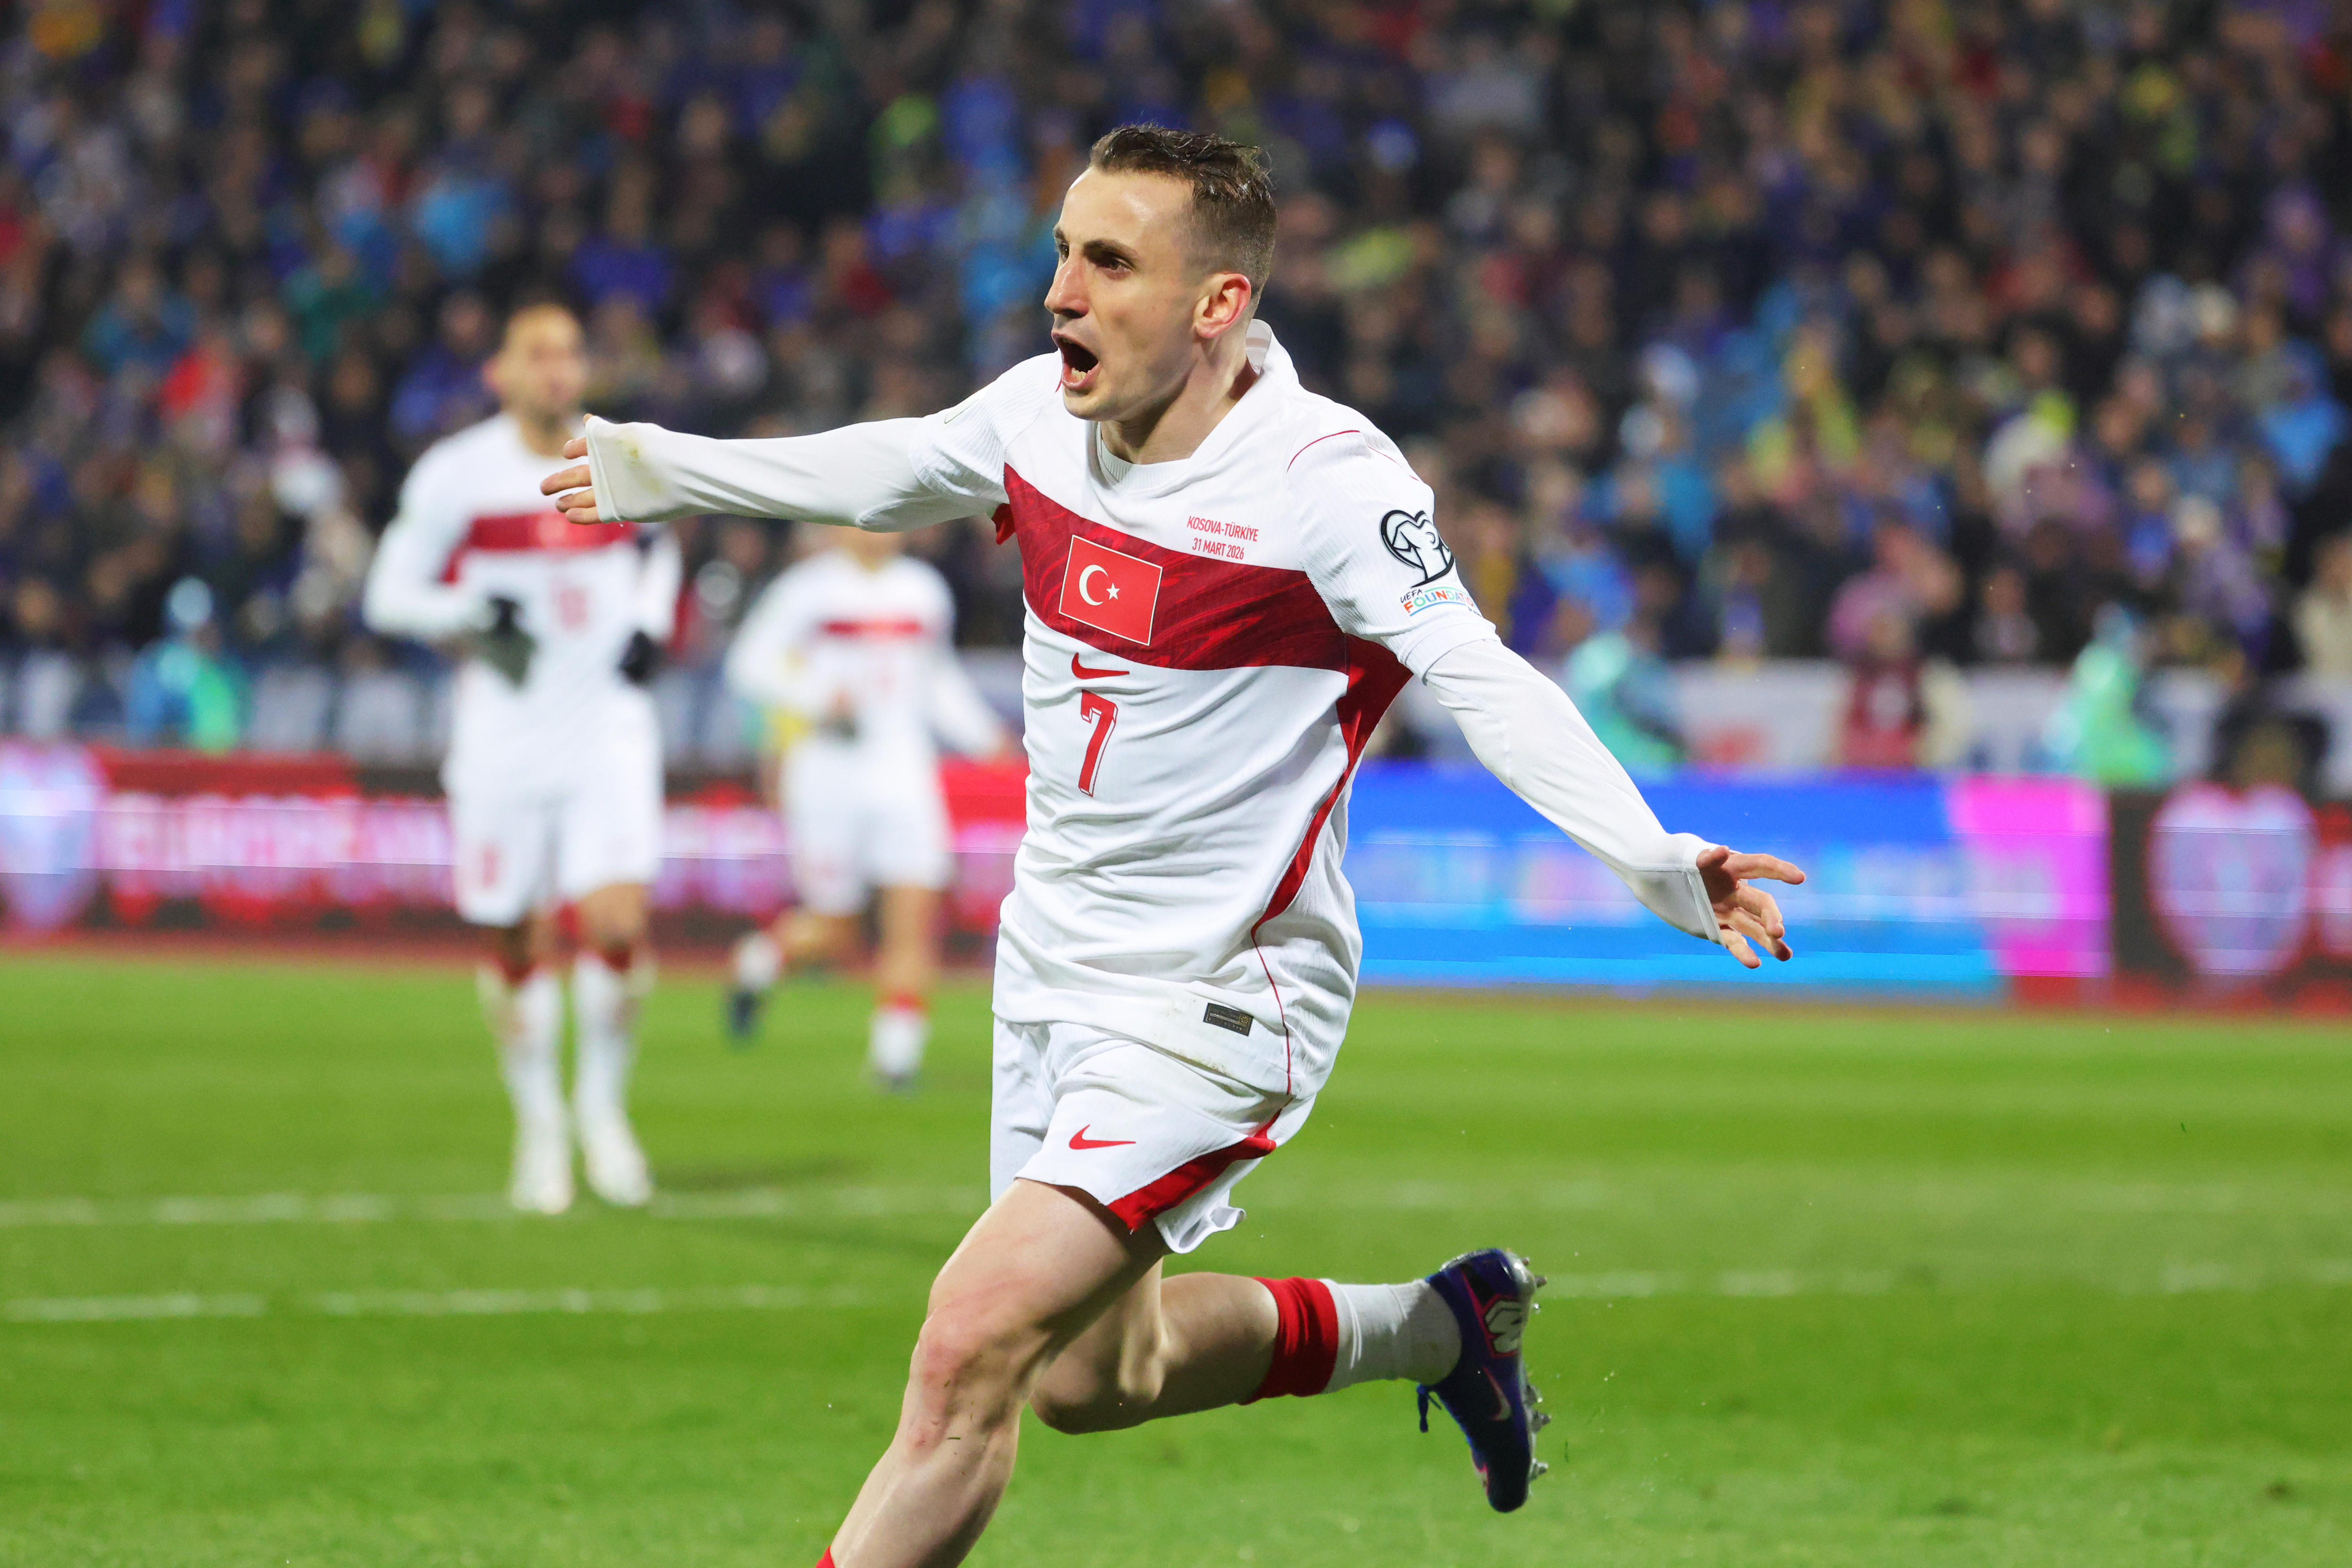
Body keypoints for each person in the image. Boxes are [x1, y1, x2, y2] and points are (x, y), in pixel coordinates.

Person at [544, 127, 1802, 1566]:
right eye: (1063, 253)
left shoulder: (1326, 480)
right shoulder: (1040, 417)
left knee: (963, 1349)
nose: (1059, 294)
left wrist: (1649, 855)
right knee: (1091, 1378)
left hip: (1223, 990)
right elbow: (897, 465)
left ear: (1218, 305)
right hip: (1053, 962)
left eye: (1109, 263)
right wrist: (666, 469)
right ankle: (1446, 1325)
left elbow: (1478, 671)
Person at [364, 301, 681, 1215]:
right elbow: (389, 593)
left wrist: (650, 626)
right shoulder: (456, 475)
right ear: (499, 372)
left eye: (570, 352)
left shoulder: (621, 456)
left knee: (617, 922)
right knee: (514, 934)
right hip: (503, 735)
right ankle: (539, 1123)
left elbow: (663, 547)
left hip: (609, 729)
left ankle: (603, 1112)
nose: (556, 369)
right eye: (536, 354)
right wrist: (465, 612)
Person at [722, 526, 1012, 1084]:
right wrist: (812, 695)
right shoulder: (807, 590)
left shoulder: (923, 590)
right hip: (829, 773)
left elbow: (935, 677)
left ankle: (894, 1060)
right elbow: (750, 662)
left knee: (915, 910)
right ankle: (759, 961)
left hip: (904, 770)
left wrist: (981, 736)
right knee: (836, 931)